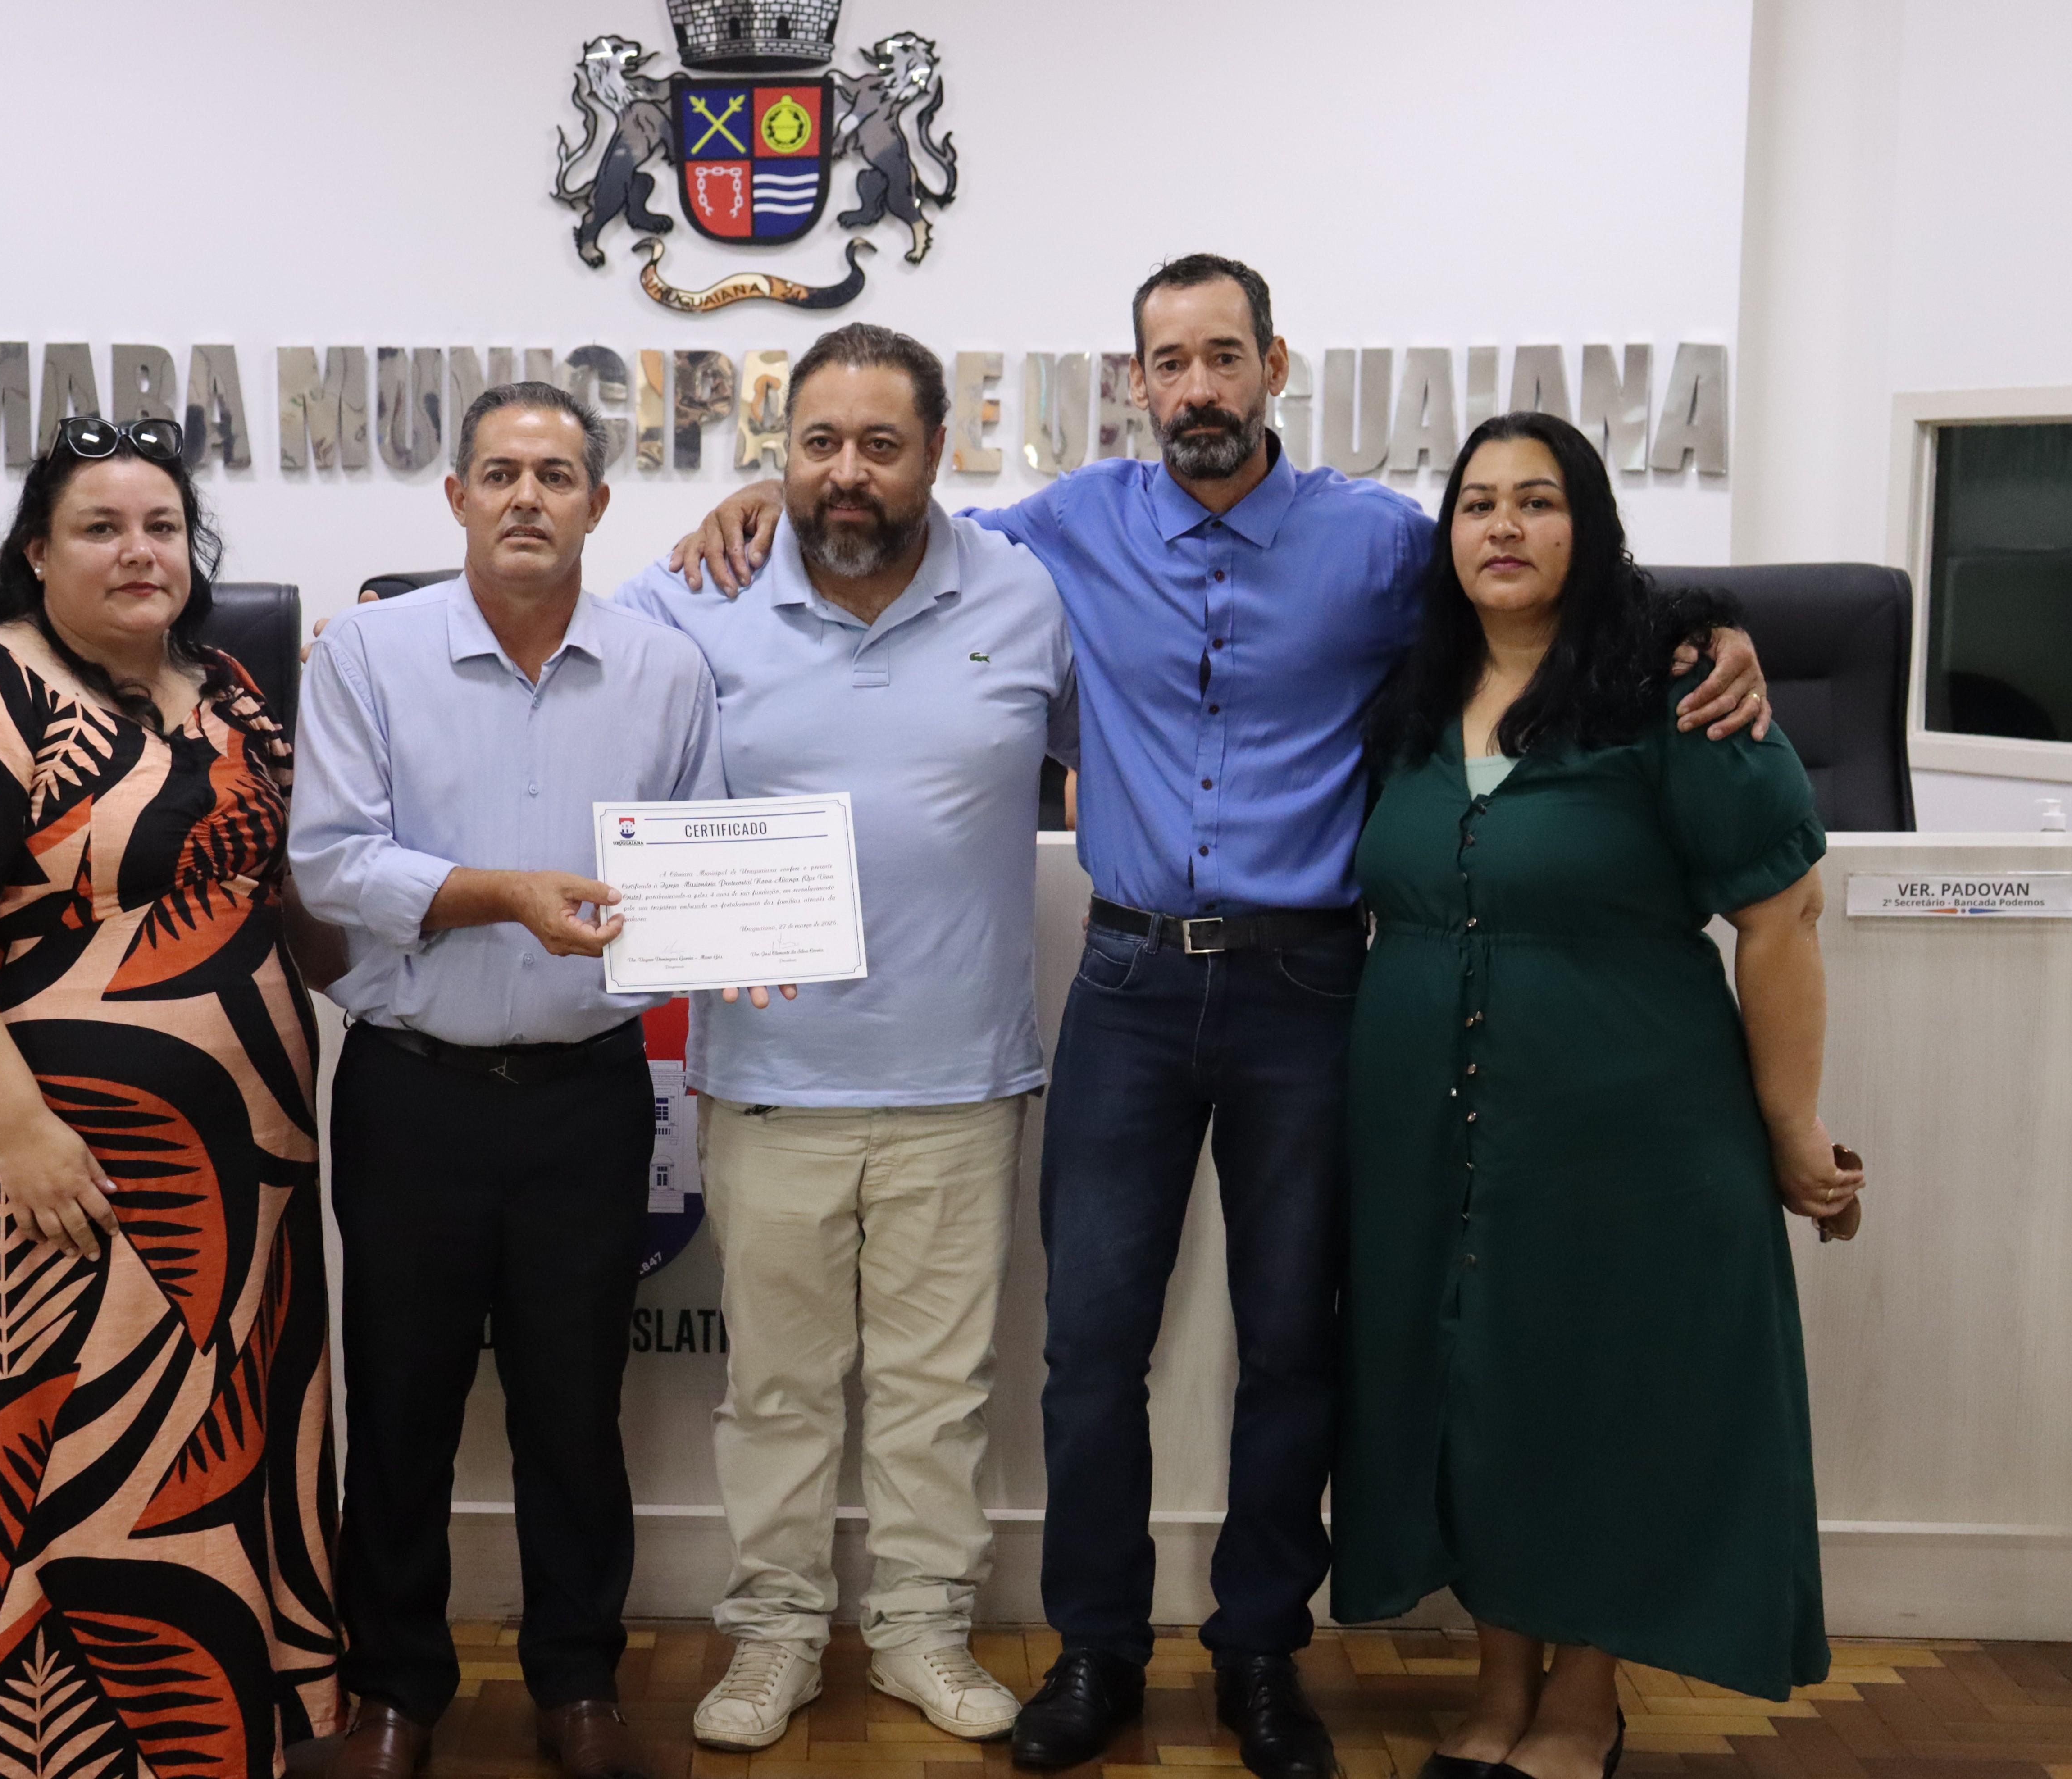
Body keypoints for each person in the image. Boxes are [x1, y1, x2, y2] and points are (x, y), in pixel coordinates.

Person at [671, 255, 1775, 1776]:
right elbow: (880, 522)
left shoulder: (1377, 544)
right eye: (1168, 362)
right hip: (1128, 986)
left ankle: (1260, 1652)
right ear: (1133, 383)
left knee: (1292, 1347)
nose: (1196, 386)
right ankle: (1097, 1650)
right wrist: (753, 503)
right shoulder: (1062, 531)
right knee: (1088, 1349)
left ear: (1273, 366)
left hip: (1308, 989)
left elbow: (1541, 584)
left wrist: (1708, 626)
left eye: (1222, 356)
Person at [1335, 413, 1858, 1777]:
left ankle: (1581, 1700)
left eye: (1538, 501)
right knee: (1475, 1395)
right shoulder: (1410, 697)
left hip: (1626, 1126)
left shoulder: (1675, 691)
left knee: (1599, 1397)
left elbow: (1782, 914)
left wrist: (1790, 1125)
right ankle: (1499, 1684)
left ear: (1592, 527)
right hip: (1427, 1130)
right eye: (1476, 505)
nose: (1502, 528)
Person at [0, 414, 343, 1779]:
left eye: (162, 527)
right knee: (57, 1446)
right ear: (36, 553)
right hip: (55, 1165)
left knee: (203, 1449)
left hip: (240, 1178)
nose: (139, 552)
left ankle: (206, 1742)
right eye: (100, 528)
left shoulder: (228, 689)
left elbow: (281, 901)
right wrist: (24, 1134)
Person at [610, 323, 1078, 1752]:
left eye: (881, 444)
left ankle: (922, 1631)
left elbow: (1129, 745)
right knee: (775, 1392)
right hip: (769, 1082)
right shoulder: (694, 594)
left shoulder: (1027, 592)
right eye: (817, 445)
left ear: (938, 452)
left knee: (940, 1394)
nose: (847, 473)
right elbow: (562, 691)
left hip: (960, 1076)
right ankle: (774, 1635)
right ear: (779, 458)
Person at [289, 382, 722, 1779]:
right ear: (457, 499)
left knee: (574, 1410)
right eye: (498, 472)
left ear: (598, 505)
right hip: (411, 1093)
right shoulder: (368, 652)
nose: (526, 495)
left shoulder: (665, 671)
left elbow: (696, 864)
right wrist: (504, 896)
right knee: (400, 1405)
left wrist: (749, 938)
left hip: (588, 1096)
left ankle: (577, 1685)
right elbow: (329, 864)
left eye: (555, 474)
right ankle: (395, 1690)